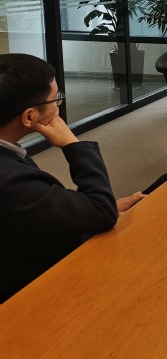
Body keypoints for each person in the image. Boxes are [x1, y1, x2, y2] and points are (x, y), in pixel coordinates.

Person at [0, 54, 144, 303]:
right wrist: (72, 145)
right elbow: (102, 214)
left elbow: (31, 209)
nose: (58, 106)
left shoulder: (9, 157)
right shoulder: (10, 179)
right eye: (55, 98)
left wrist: (86, 208)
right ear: (29, 117)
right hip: (35, 291)